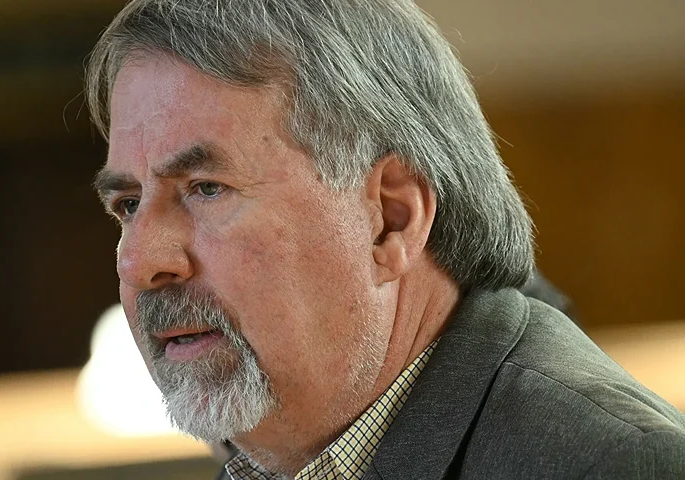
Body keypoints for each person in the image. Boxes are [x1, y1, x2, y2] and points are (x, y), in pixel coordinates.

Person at [86, 1, 685, 478]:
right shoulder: (279, 463)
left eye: (206, 188)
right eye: (129, 204)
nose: (140, 261)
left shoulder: (610, 465)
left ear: (391, 220)